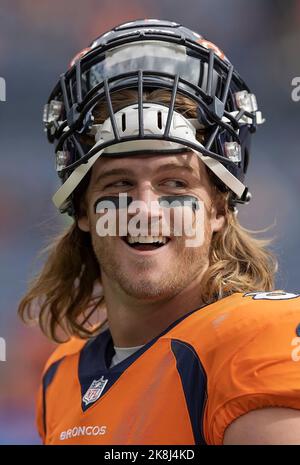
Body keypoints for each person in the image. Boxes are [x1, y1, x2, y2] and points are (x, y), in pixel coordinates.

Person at [18, 19, 300, 445]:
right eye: (118, 184)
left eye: (175, 184)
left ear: (219, 208)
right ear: (82, 210)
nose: (145, 209)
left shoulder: (256, 340)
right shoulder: (62, 373)